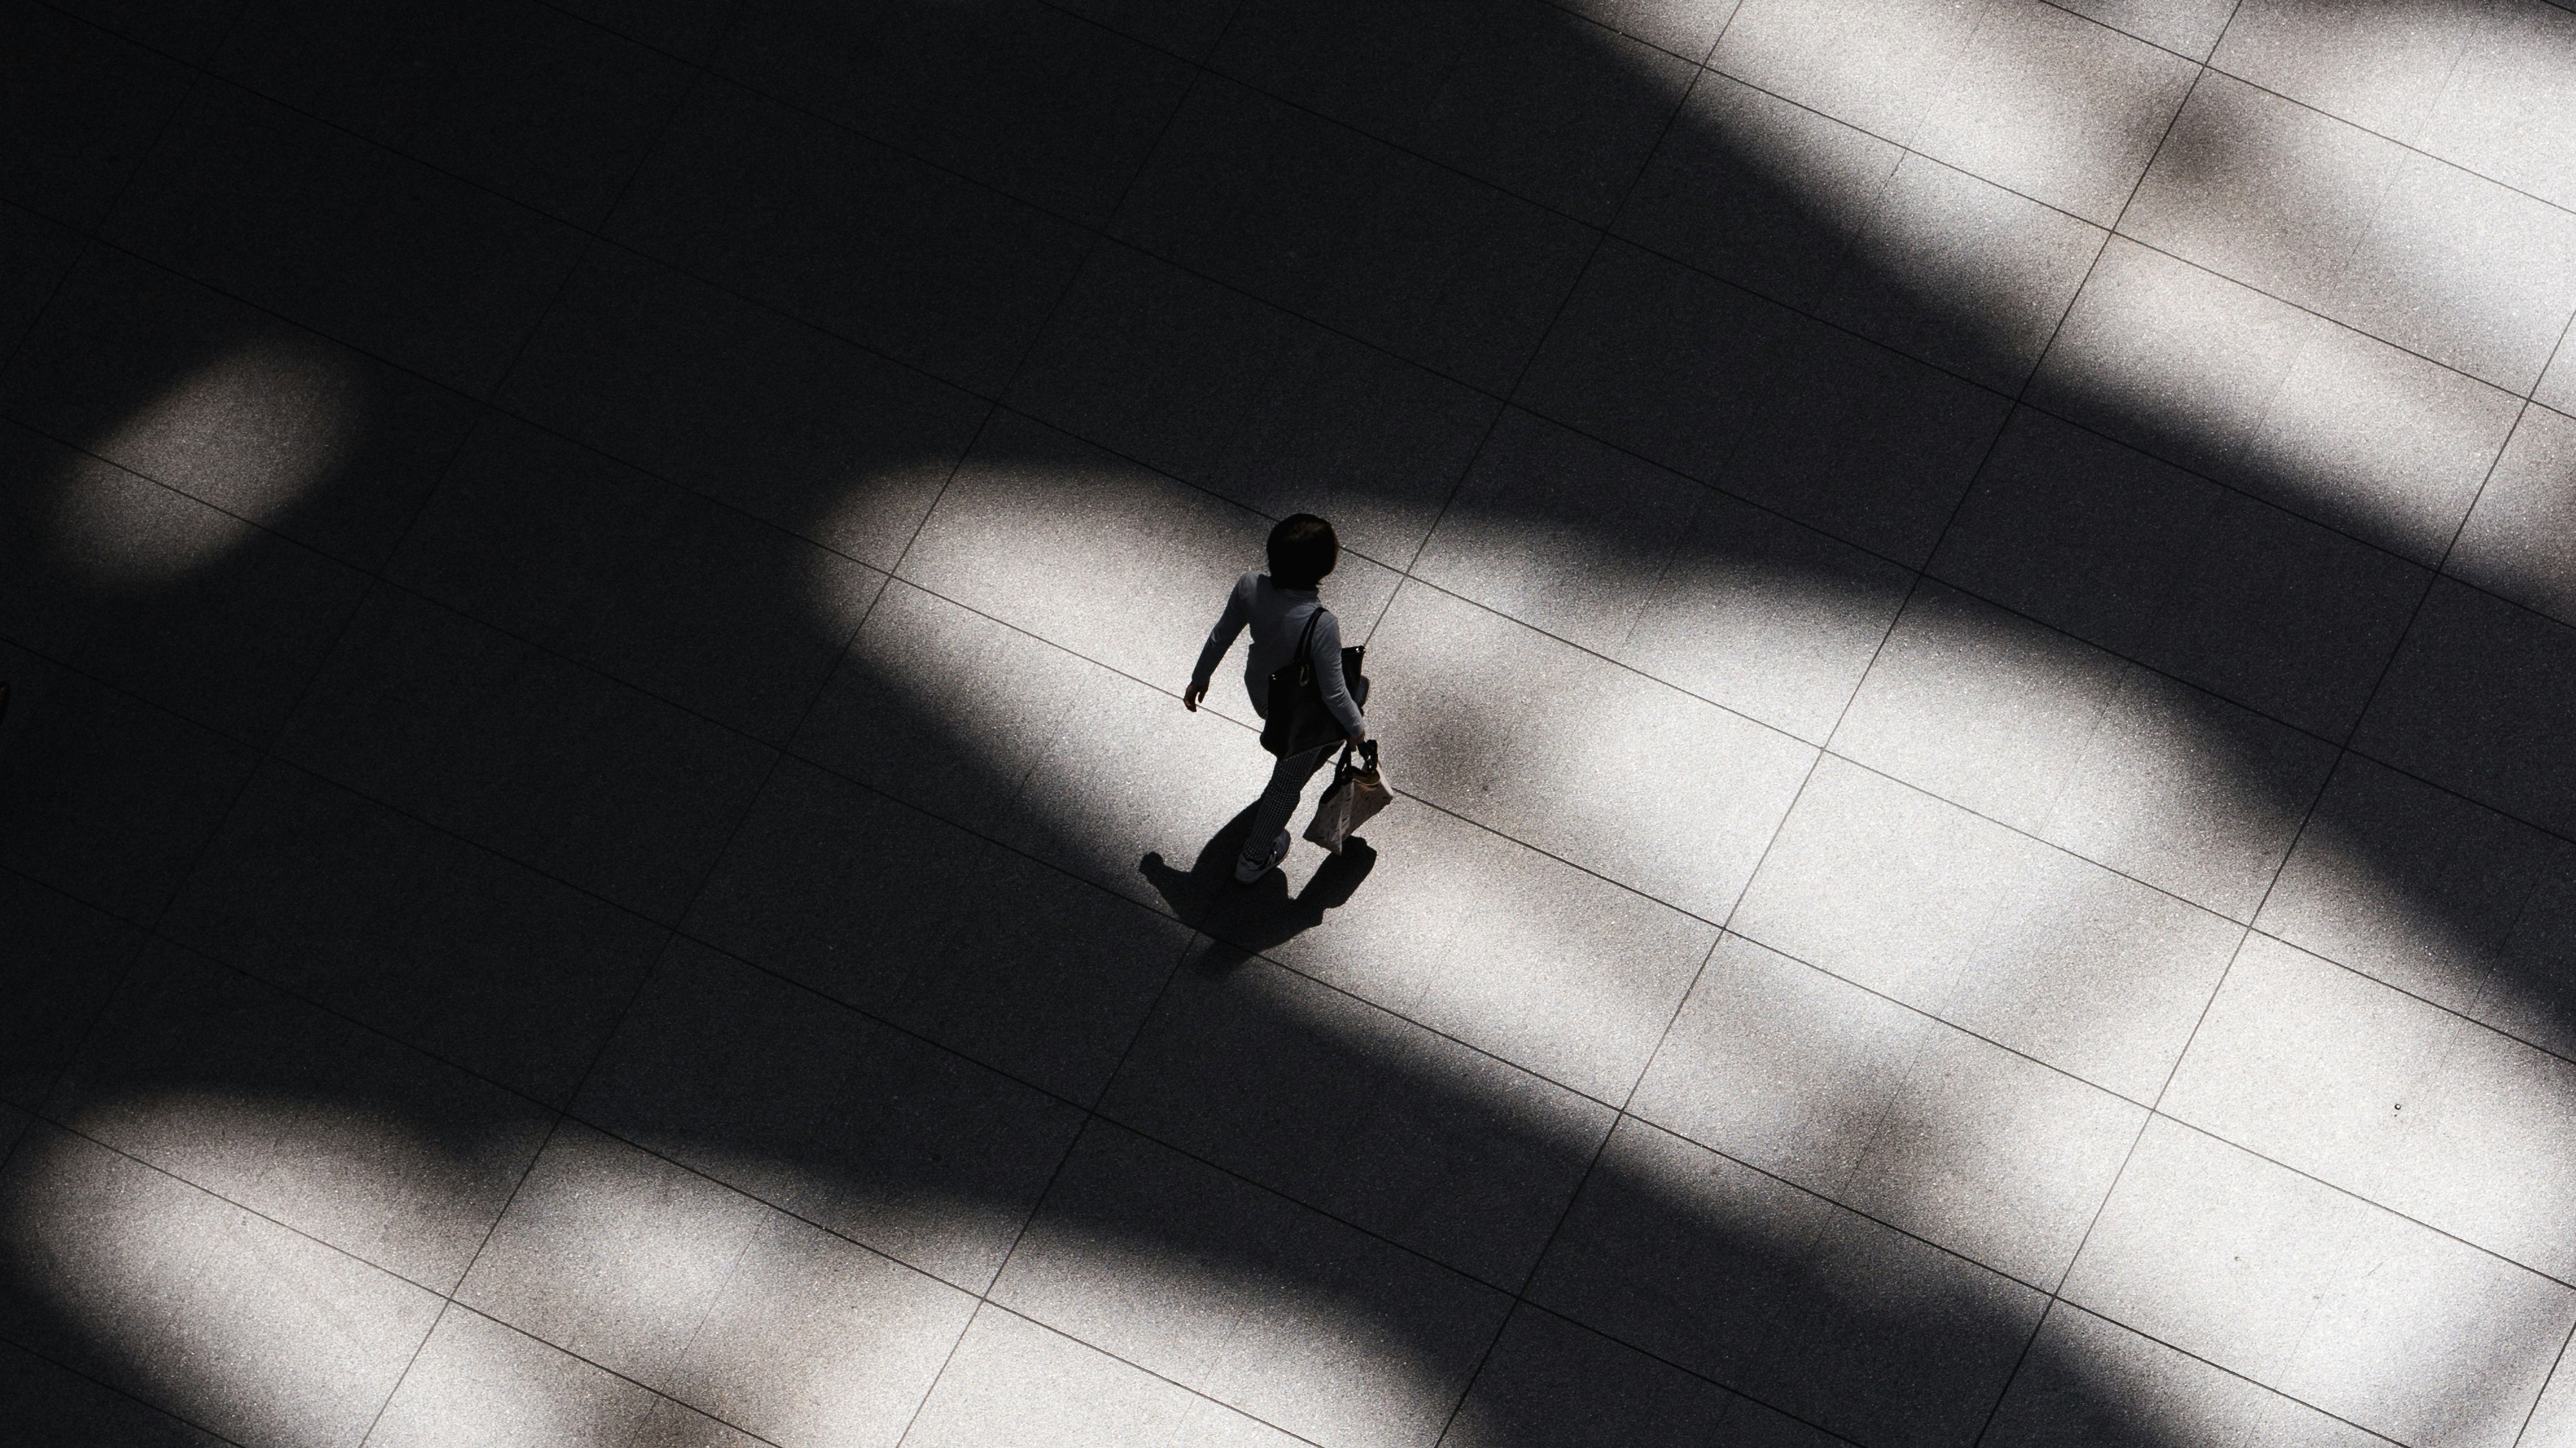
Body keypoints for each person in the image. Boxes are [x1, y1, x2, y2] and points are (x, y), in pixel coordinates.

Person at [1185, 514, 1366, 883]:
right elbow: (1333, 692)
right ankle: (1252, 861)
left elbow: (1221, 636)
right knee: (1286, 786)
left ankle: (1310, 755)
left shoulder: (1249, 586)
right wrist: (1357, 730)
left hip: (1265, 694)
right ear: (1325, 567)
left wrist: (1199, 678)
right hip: (1293, 716)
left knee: (1355, 691)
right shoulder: (1321, 623)